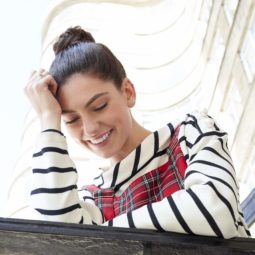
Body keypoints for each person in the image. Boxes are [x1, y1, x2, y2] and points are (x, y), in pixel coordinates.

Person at [24, 26, 250, 238]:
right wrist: (48, 120)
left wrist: (102, 235)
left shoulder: (189, 132)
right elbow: (56, 238)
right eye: (72, 119)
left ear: (128, 92)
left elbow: (215, 212)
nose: (90, 128)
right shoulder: (93, 198)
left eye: (99, 106)